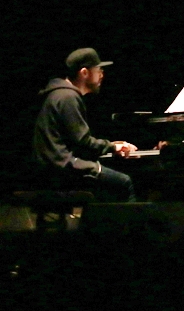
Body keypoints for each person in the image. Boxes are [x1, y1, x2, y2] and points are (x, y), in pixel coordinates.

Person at [33, 47, 139, 201]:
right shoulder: (68, 97)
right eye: (98, 70)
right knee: (125, 182)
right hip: (64, 168)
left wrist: (110, 146)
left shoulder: (59, 94)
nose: (102, 75)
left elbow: (75, 142)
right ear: (84, 73)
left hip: (54, 166)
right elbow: (83, 142)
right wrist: (113, 147)